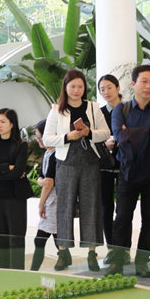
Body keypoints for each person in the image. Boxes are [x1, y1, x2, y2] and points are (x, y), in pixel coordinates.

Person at [107, 65, 150, 277]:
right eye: (144, 81)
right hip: (127, 171)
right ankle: (117, 261)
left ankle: (142, 262)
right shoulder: (121, 110)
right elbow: (119, 136)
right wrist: (148, 134)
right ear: (133, 84)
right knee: (122, 217)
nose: (148, 86)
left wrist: (132, 134)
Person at [43, 69, 110, 271]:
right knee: (65, 207)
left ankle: (92, 253)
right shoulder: (57, 110)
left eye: (80, 86)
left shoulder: (93, 107)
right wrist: (67, 137)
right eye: (72, 86)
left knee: (91, 206)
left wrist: (89, 133)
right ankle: (63, 253)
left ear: (84, 88)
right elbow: (46, 138)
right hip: (66, 163)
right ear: (65, 87)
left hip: (90, 162)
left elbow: (106, 133)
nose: (76, 90)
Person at [0, 108, 33, 270]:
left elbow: (18, 172)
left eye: (3, 121)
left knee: (16, 236)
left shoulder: (21, 145)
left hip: (15, 196)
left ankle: (17, 272)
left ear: (12, 124)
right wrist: (6, 167)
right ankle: (3, 271)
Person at [98, 74, 123, 249]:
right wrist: (104, 144)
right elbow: (93, 138)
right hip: (104, 166)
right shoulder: (98, 113)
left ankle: (122, 246)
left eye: (109, 87)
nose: (106, 92)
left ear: (118, 88)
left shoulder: (128, 109)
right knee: (105, 208)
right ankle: (111, 247)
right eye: (102, 89)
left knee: (123, 209)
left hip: (124, 165)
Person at [31, 120, 59, 271]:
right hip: (50, 199)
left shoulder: (55, 155)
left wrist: (41, 204)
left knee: (41, 239)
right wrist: (41, 181)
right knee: (54, 237)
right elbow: (42, 179)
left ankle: (33, 271)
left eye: (40, 137)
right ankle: (64, 258)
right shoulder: (48, 154)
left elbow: (49, 182)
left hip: (54, 201)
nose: (38, 140)